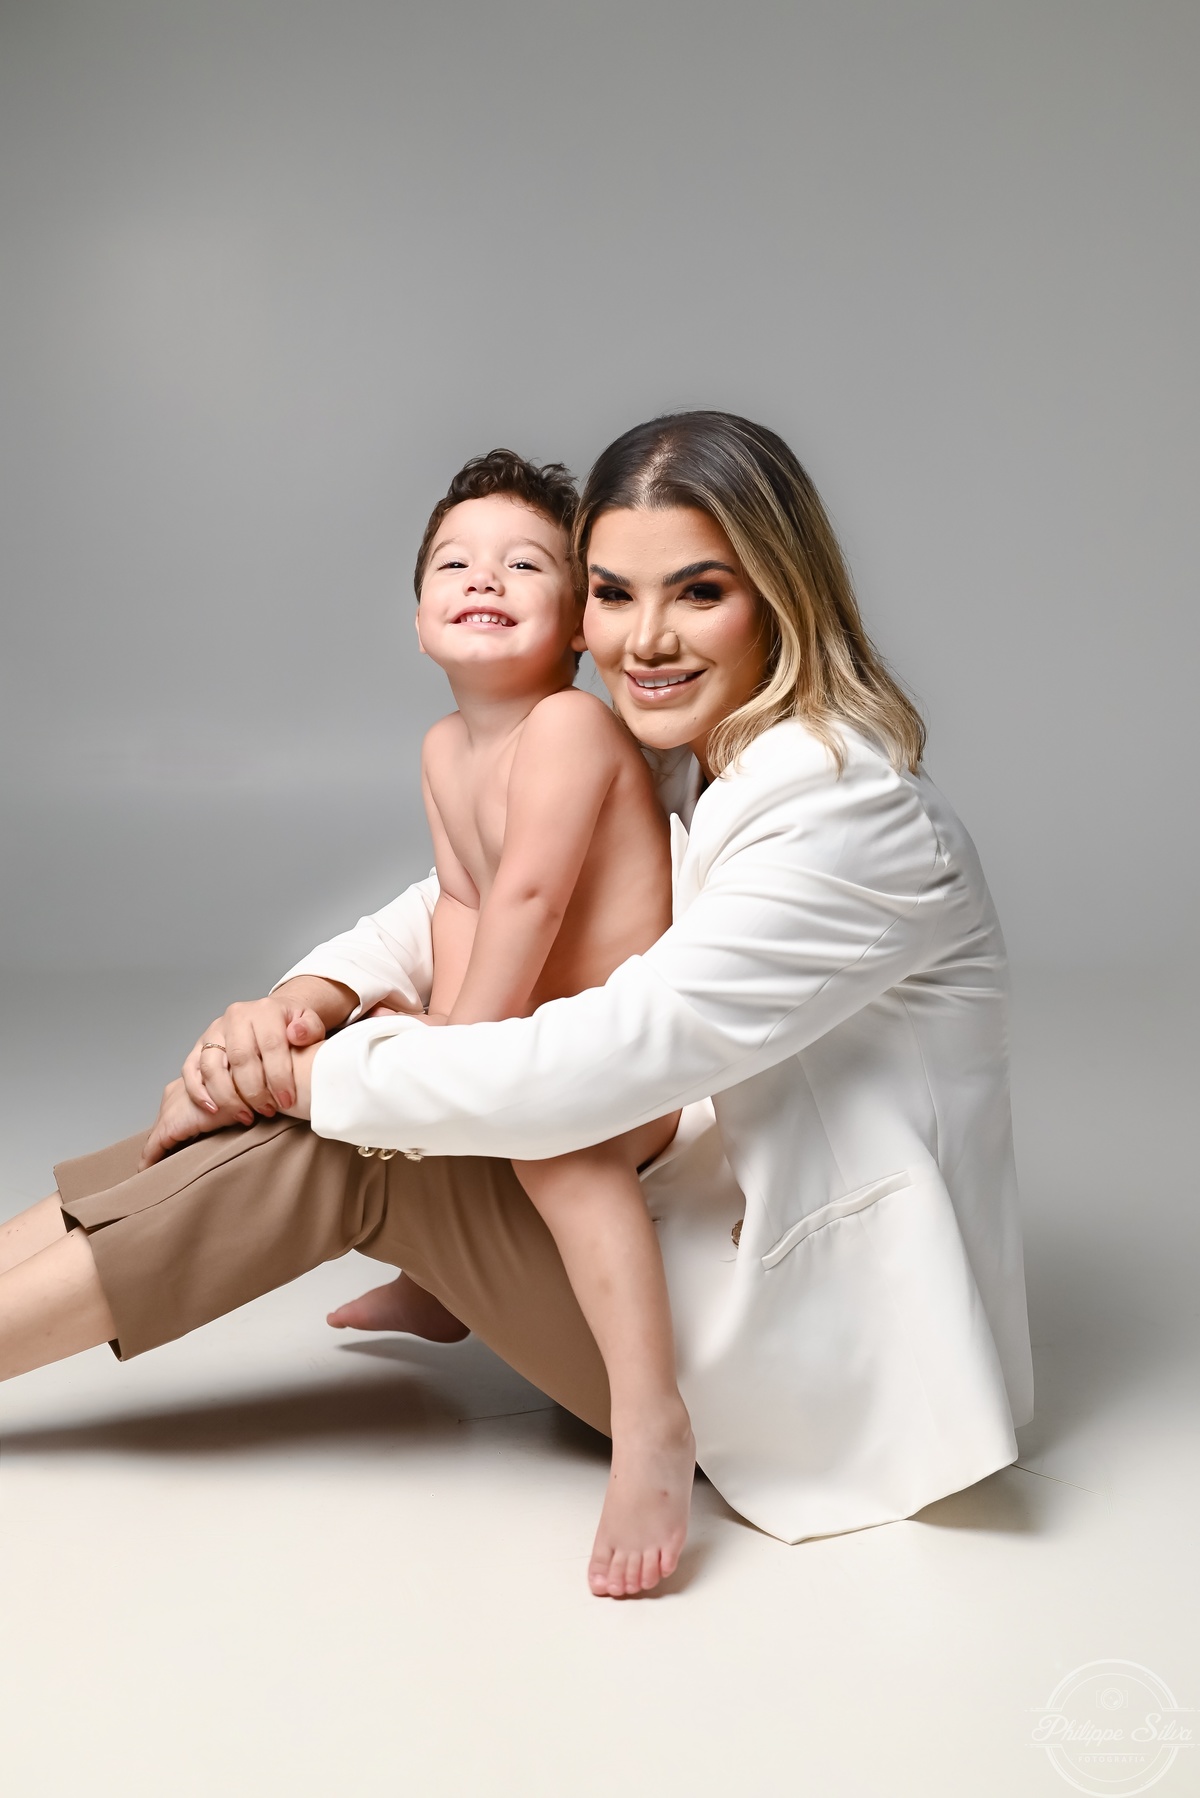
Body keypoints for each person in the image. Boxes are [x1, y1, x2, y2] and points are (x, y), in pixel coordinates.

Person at [0, 411, 1033, 1596]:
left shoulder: (846, 813)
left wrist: (311, 1072)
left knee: (350, 1140)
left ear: (782, 597)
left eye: (700, 591)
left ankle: (647, 1421)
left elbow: (619, 1048)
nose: (647, 638)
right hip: (666, 1242)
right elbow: (458, 894)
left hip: (797, 1368)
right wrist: (303, 1005)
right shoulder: (693, 742)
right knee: (327, 1092)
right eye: (616, 592)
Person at [349, 447, 694, 1592]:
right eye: (455, 563)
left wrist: (457, 1058)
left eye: (525, 564)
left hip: (630, 1064)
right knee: (420, 1083)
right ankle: (441, 1286)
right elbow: (463, 904)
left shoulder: (568, 727)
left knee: (553, 1143)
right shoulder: (444, 750)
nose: (483, 578)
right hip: (536, 1034)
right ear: (418, 620)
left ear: (581, 627)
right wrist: (443, 1033)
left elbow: (533, 898)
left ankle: (650, 1420)